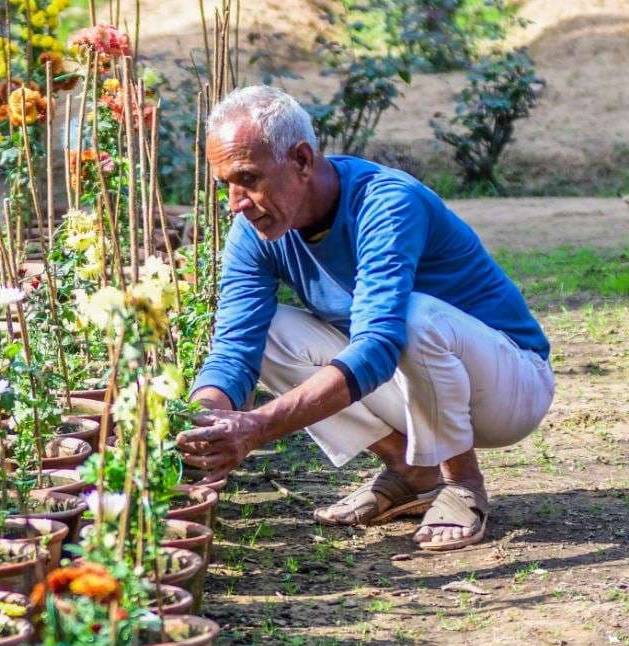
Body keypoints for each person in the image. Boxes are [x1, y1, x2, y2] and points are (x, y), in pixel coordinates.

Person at [177, 85, 553, 552]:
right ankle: (413, 471)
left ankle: (462, 484)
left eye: (249, 178)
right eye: (226, 184)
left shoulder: (386, 203)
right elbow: (234, 348)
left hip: (507, 386)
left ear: (300, 160)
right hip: (416, 384)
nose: (237, 201)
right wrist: (205, 418)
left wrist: (258, 427)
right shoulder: (254, 231)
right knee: (271, 330)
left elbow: (378, 346)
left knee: (413, 318)